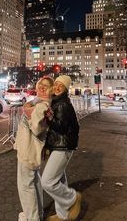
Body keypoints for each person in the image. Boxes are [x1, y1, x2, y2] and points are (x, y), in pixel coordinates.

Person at [41, 75, 81, 221]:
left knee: (47, 181)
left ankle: (72, 198)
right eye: (56, 84)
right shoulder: (57, 101)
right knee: (59, 182)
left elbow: (61, 127)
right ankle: (63, 216)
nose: (57, 87)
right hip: (58, 145)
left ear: (65, 89)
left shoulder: (62, 104)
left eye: (61, 86)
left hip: (62, 147)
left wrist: (49, 118)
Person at [14, 76, 54, 221]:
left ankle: (32, 218)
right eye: (40, 85)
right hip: (30, 149)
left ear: (51, 90)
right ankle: (37, 214)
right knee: (34, 182)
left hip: (29, 149)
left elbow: (37, 128)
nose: (41, 88)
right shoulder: (38, 102)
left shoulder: (42, 105)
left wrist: (33, 116)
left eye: (46, 86)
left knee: (26, 186)